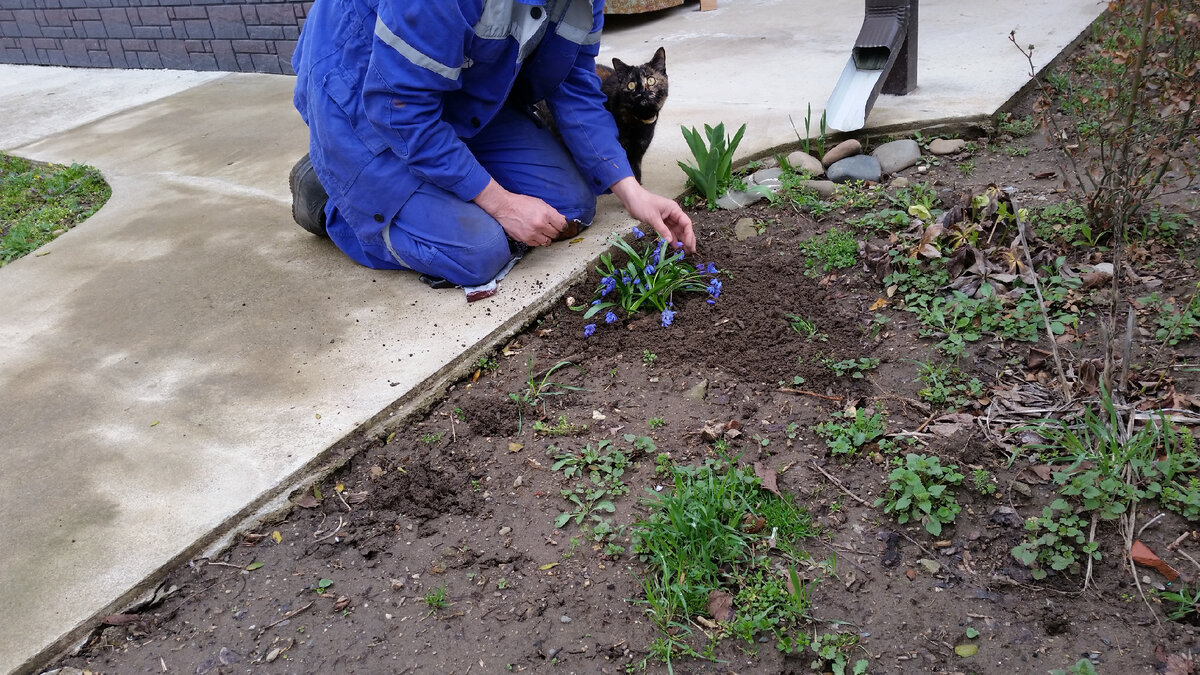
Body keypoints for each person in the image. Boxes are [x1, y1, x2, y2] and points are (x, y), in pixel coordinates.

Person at [288, 0, 696, 289]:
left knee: (570, 208)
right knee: (479, 252)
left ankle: (438, 176)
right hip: (365, 99)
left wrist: (631, 190)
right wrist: (502, 204)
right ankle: (329, 191)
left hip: (461, 91)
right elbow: (403, 110)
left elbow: (574, 83)